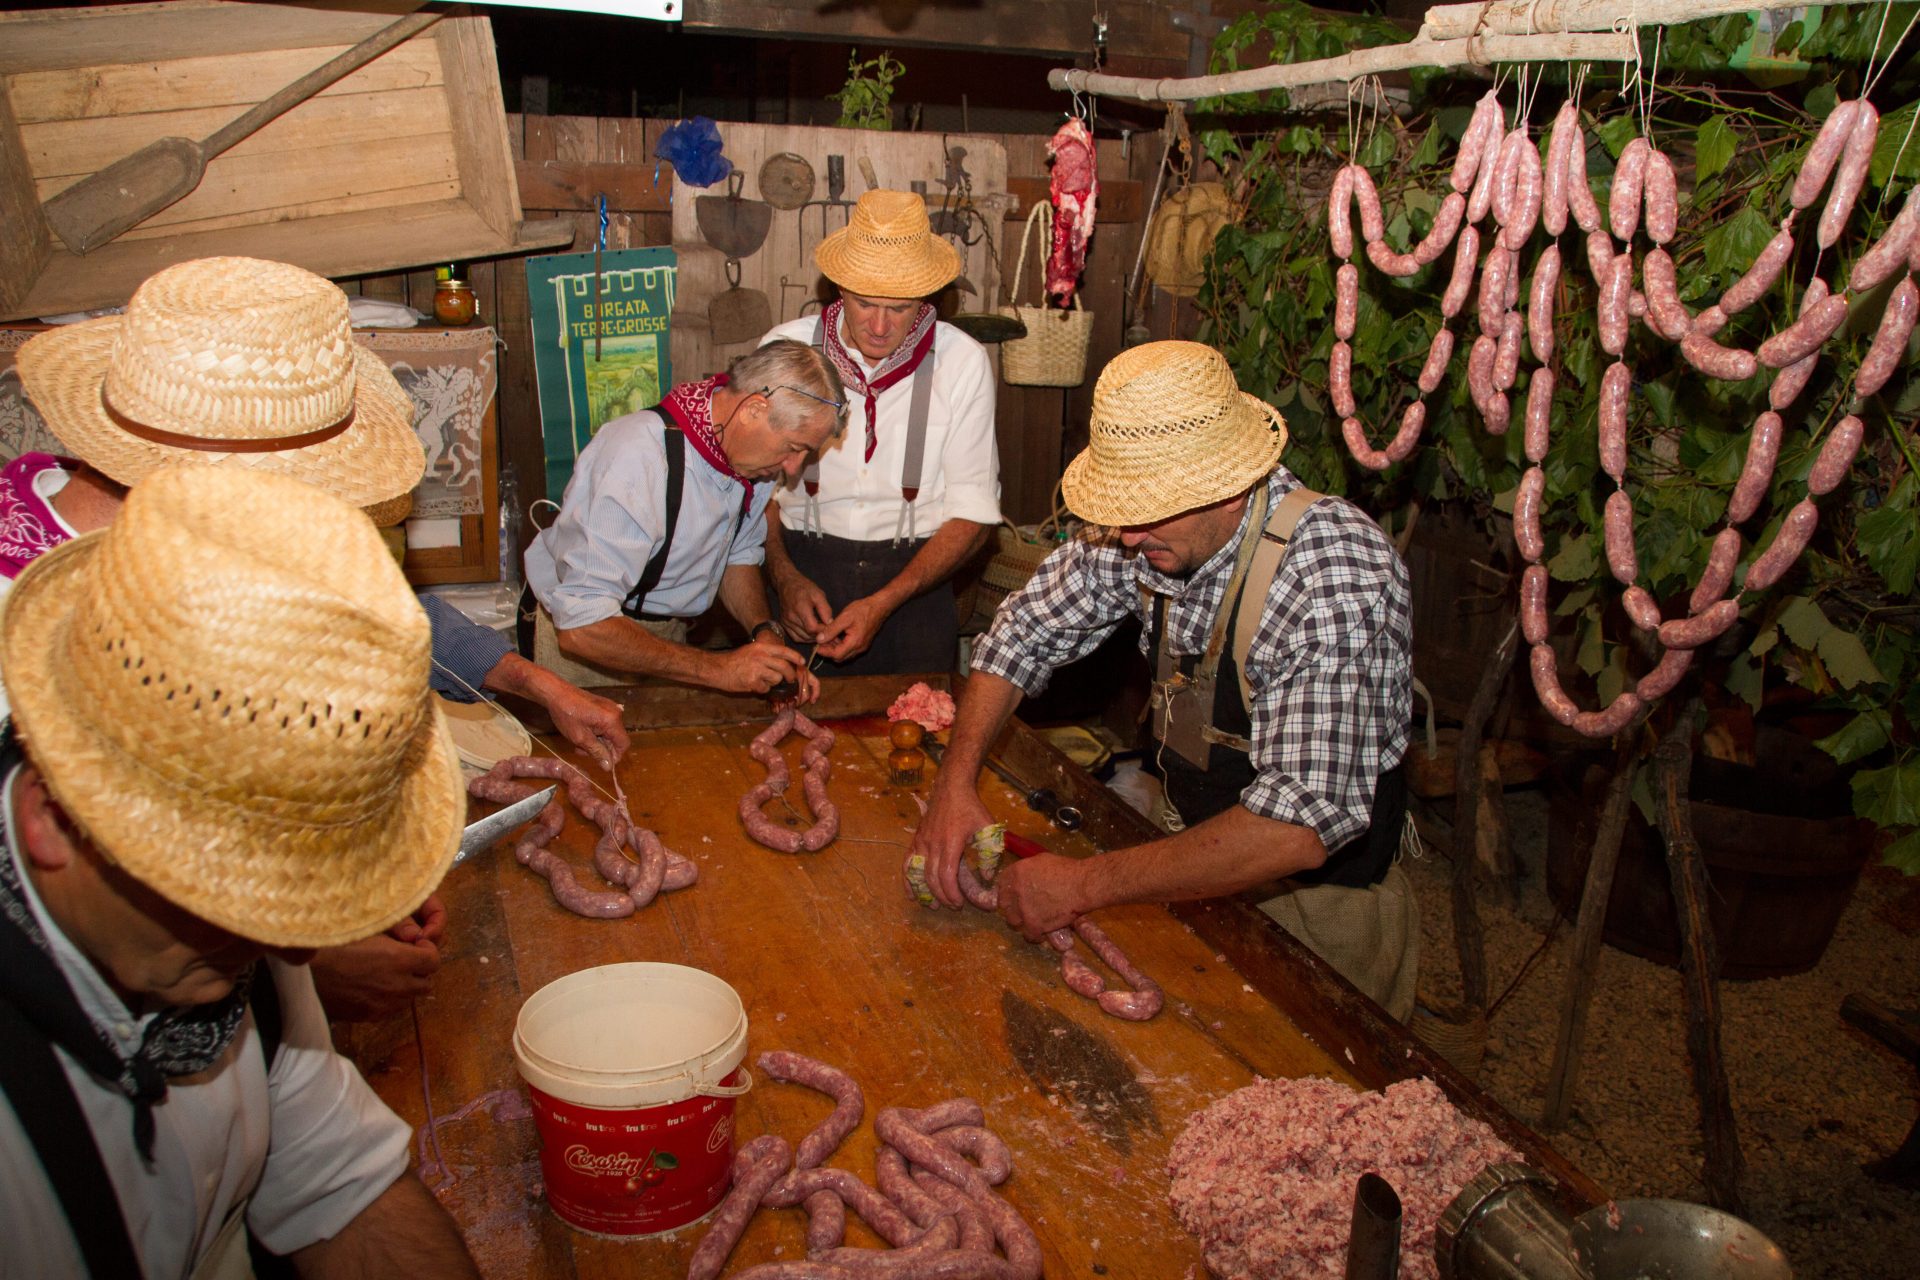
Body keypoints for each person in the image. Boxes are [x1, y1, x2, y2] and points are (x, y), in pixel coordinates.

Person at [8, 255, 629, 1020]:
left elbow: (367, 617)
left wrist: (537, 682)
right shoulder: (32, 631)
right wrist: (283, 970)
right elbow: (62, 911)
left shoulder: (222, 548)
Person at [0, 464, 479, 1278]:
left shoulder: (223, 949)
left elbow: (339, 1185)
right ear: (52, 822)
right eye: (237, 896)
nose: (298, 956)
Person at [911, 342, 1418, 1020]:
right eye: (1122, 511)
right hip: (1191, 856)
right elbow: (1020, 633)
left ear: (1228, 484)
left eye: (1148, 511)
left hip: (1321, 901)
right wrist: (956, 782)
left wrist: (1086, 882)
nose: (1123, 538)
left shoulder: (1333, 572)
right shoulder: (1147, 533)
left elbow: (1301, 822)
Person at [758, 188, 1001, 675]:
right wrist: (784, 577)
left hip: (914, 588)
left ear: (926, 299)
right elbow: (751, 490)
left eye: (900, 308)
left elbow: (972, 513)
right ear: (840, 289)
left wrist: (885, 601)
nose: (879, 326)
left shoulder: (961, 362)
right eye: (865, 303)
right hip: (799, 571)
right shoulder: (784, 350)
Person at [525, 338, 844, 701]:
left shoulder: (754, 465)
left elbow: (737, 555)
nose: (793, 467)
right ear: (753, 409)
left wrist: (763, 633)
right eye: (793, 447)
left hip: (668, 639)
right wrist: (718, 668)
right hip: (591, 648)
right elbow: (581, 626)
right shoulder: (637, 456)